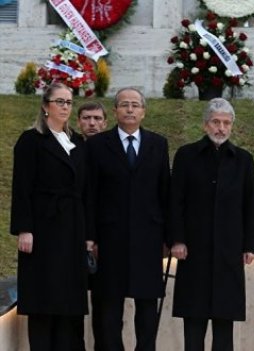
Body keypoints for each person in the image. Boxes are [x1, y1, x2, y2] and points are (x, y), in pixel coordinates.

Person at [170, 98, 254, 351]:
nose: (221, 128)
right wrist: (177, 239)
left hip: (228, 252)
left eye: (226, 123)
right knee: (194, 324)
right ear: (205, 125)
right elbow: (176, 200)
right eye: (216, 122)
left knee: (224, 326)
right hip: (193, 251)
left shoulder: (243, 160)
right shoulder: (187, 155)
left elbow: (249, 203)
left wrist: (250, 244)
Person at [85, 87, 171, 351]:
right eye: (124, 105)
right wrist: (90, 237)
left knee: (146, 309)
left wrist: (168, 237)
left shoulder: (158, 144)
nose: (130, 109)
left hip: (148, 240)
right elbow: (90, 194)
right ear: (115, 111)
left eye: (135, 105)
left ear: (144, 111)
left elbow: (164, 193)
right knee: (110, 309)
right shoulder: (98, 145)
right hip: (110, 240)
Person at [10, 82, 89, 350]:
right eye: (60, 101)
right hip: (43, 228)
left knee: (68, 302)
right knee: (44, 300)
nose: (65, 107)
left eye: (69, 102)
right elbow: (22, 187)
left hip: (73, 227)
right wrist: (24, 228)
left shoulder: (77, 142)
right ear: (46, 106)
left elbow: (85, 189)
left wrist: (88, 234)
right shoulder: (31, 140)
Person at [72, 101, 108, 351]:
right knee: (72, 305)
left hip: (106, 238)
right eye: (86, 118)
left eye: (97, 118)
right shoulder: (70, 148)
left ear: (105, 122)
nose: (92, 123)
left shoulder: (112, 149)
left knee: (105, 308)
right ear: (78, 122)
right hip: (73, 236)